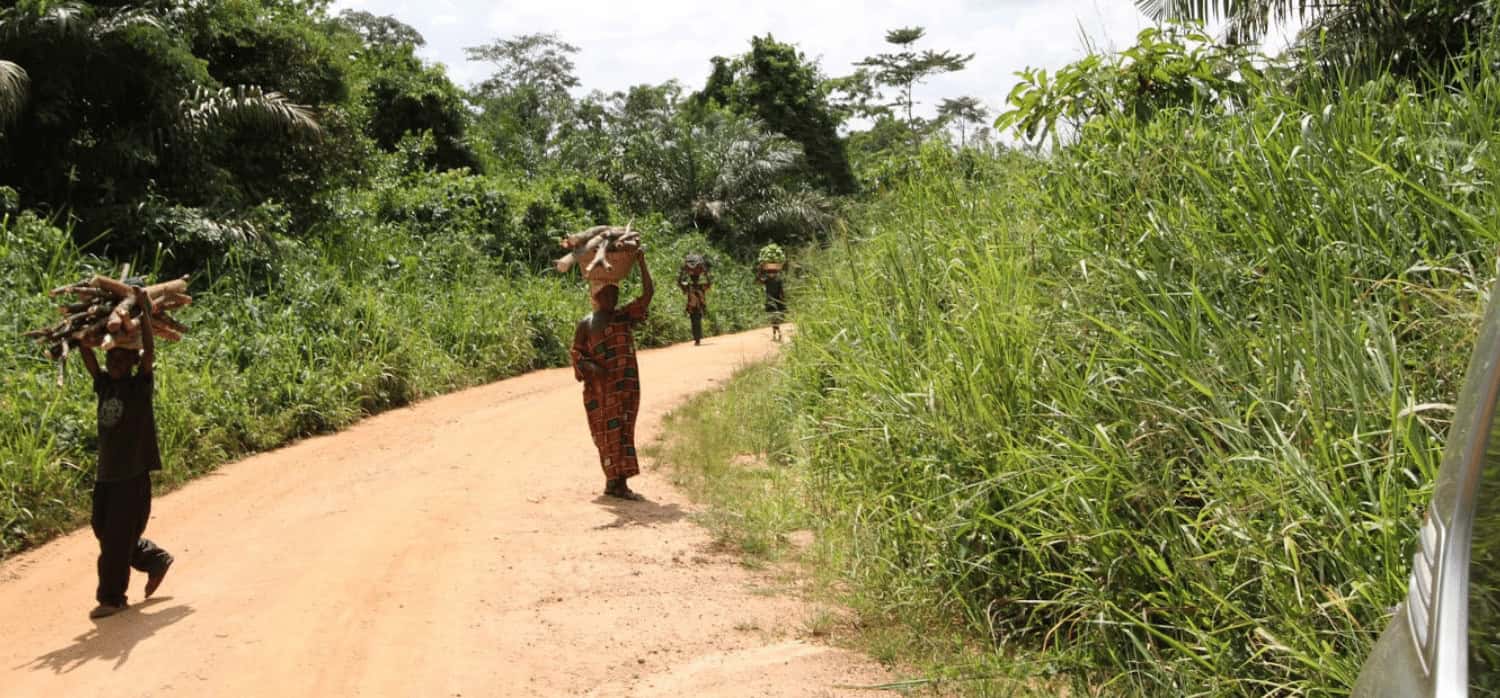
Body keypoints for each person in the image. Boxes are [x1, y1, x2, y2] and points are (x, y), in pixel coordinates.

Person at [75, 285, 174, 620]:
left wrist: (144, 314)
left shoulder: (138, 387)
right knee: (104, 530)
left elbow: (149, 353)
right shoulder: (105, 385)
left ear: (132, 361)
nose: (115, 362)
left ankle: (112, 597)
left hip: (131, 474)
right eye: (112, 357)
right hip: (107, 473)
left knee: (115, 538)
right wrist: (80, 335)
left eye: (122, 358)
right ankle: (153, 558)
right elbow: (88, 357)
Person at [571, 249, 654, 500]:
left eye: (615, 293)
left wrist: (641, 261)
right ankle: (612, 481)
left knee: (625, 431)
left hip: (626, 386)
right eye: (608, 294)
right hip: (600, 391)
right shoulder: (586, 324)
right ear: (596, 295)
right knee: (606, 436)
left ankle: (620, 483)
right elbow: (577, 354)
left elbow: (648, 294)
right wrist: (592, 368)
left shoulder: (623, 317)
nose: (613, 298)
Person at [677, 256, 711, 346]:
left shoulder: (700, 286)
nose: (694, 279)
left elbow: (709, 284)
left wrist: (706, 273)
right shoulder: (689, 286)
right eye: (693, 278)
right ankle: (697, 339)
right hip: (692, 308)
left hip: (698, 308)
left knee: (697, 323)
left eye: (695, 278)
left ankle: (697, 339)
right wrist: (682, 272)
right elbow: (679, 283)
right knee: (694, 323)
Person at [756, 265, 786, 342]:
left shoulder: (778, 281)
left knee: (775, 319)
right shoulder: (767, 281)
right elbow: (758, 281)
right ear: (768, 274)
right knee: (773, 319)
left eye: (773, 273)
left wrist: (783, 301)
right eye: (769, 273)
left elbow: (782, 291)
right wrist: (759, 271)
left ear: (776, 273)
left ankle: (777, 334)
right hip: (770, 301)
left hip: (777, 301)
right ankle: (777, 334)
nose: (771, 274)